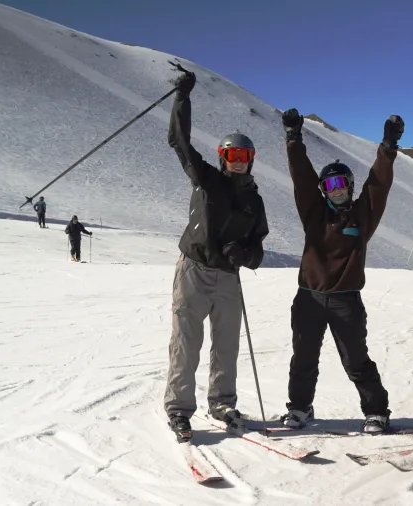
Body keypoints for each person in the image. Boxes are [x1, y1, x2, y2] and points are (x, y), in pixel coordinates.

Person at [278, 108, 404, 434]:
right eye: (329, 184)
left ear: (349, 186)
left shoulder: (362, 217)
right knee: (303, 358)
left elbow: (378, 186)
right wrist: (293, 139)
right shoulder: (313, 213)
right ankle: (299, 408)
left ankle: (376, 411)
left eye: (341, 183)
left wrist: (387, 148)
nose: (335, 190)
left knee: (356, 360)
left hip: (346, 301)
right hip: (308, 297)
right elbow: (302, 177)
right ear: (324, 189)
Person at [162, 69, 269, 443]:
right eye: (231, 154)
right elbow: (179, 141)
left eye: (244, 155)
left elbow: (259, 246)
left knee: (226, 343)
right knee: (186, 341)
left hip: (228, 277)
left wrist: (246, 254)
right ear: (222, 157)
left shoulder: (254, 200)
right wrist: (182, 98)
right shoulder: (207, 179)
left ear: (251, 159)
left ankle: (222, 402)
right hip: (193, 270)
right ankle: (179, 408)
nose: (237, 161)